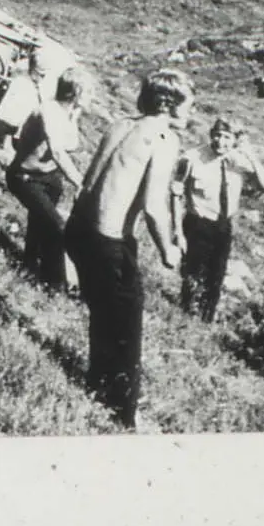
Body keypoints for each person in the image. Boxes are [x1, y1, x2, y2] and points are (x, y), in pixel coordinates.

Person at [63, 68, 191, 429]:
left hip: (79, 229)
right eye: (190, 105)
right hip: (109, 239)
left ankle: (97, 383)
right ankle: (121, 417)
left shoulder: (121, 124)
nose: (192, 113)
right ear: (172, 104)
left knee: (103, 312)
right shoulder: (164, 138)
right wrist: (168, 250)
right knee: (127, 327)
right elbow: (153, 206)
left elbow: (88, 182)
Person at [0, 55, 86, 292]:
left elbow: (72, 144)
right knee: (56, 227)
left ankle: (28, 269)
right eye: (88, 92)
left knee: (40, 225)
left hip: (49, 178)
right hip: (25, 177)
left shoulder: (67, 113)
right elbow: (57, 150)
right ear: (77, 92)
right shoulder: (48, 109)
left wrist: (74, 116)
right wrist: (79, 182)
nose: (91, 97)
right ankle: (55, 285)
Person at [171, 117, 264, 323]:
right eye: (217, 135)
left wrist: (250, 154)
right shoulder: (191, 158)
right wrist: (177, 232)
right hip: (197, 223)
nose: (220, 141)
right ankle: (183, 318)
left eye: (227, 137)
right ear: (210, 134)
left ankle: (205, 321)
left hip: (223, 226)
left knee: (216, 277)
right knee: (192, 275)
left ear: (235, 140)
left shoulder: (239, 161)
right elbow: (176, 193)